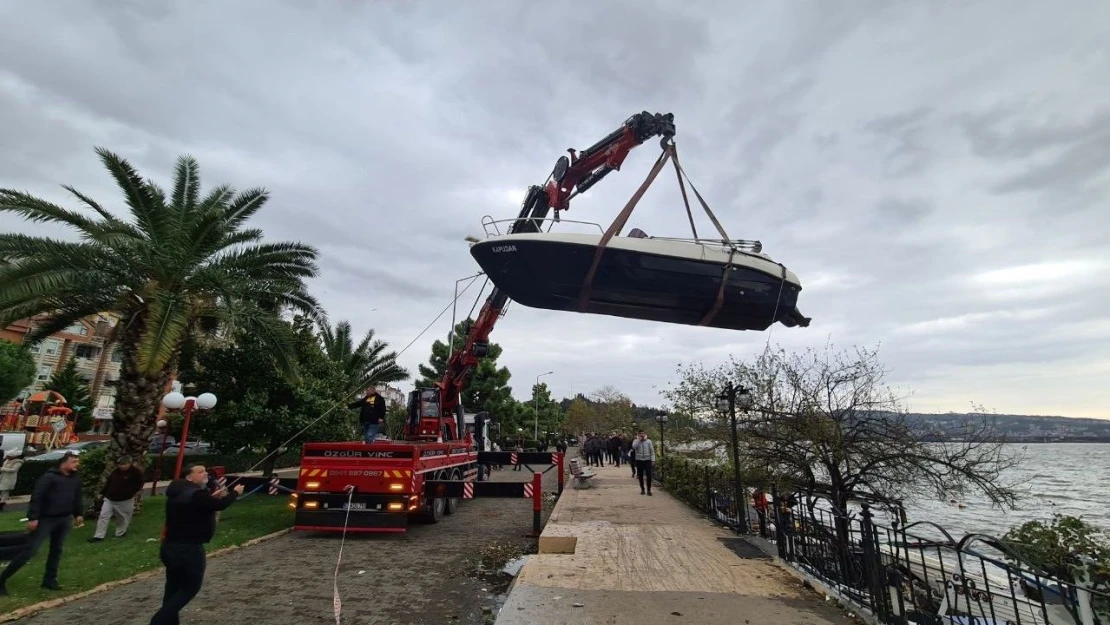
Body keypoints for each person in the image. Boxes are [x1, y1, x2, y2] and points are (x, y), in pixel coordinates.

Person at [150, 464, 244, 625]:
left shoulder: (178, 491)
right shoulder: (196, 494)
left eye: (205, 471)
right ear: (189, 477)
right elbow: (220, 505)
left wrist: (212, 497)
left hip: (169, 547)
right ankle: (158, 621)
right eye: (200, 472)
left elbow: (197, 507)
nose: (205, 473)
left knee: (173, 588)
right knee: (189, 588)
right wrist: (236, 492)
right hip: (189, 549)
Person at [0, 452, 84, 594]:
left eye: (77, 462)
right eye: (74, 461)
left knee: (56, 550)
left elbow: (76, 496)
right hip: (46, 519)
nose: (77, 464)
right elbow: (37, 497)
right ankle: (2, 579)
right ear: (64, 463)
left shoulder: (74, 479)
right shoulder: (49, 477)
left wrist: (78, 514)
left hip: (64, 519)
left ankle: (50, 580)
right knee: (30, 550)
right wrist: (33, 518)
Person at [89, 455, 144, 542]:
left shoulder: (136, 472)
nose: (121, 466)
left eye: (124, 464)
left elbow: (139, 484)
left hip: (125, 499)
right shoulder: (116, 472)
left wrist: (130, 493)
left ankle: (120, 533)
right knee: (103, 515)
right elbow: (108, 483)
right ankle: (98, 536)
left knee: (122, 518)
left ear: (129, 464)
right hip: (110, 498)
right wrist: (102, 493)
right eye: (120, 464)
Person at [631, 430, 656, 496]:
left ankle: (649, 490)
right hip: (639, 460)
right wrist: (639, 440)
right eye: (640, 434)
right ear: (638, 434)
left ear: (645, 434)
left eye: (643, 433)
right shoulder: (636, 441)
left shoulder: (648, 441)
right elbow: (634, 447)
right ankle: (642, 489)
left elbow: (652, 451)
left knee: (649, 475)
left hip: (647, 460)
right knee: (640, 476)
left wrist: (653, 460)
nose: (642, 435)